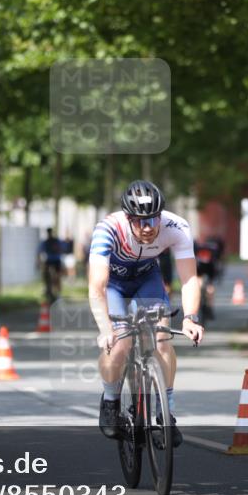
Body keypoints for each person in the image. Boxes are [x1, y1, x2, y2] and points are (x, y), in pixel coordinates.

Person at [88, 180, 205, 448]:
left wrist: (190, 318)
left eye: (153, 219)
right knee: (121, 343)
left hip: (146, 278)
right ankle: (110, 400)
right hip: (114, 285)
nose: (148, 227)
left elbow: (189, 279)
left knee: (162, 339)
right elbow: (97, 286)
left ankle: (166, 413)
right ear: (128, 218)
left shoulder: (176, 227)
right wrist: (106, 328)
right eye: (140, 221)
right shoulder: (108, 229)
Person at [38, 227, 64, 301]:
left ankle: (58, 293)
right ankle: (47, 288)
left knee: (57, 277)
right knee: (45, 273)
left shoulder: (56, 241)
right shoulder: (46, 242)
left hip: (56, 260)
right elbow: (40, 251)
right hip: (49, 260)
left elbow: (61, 249)